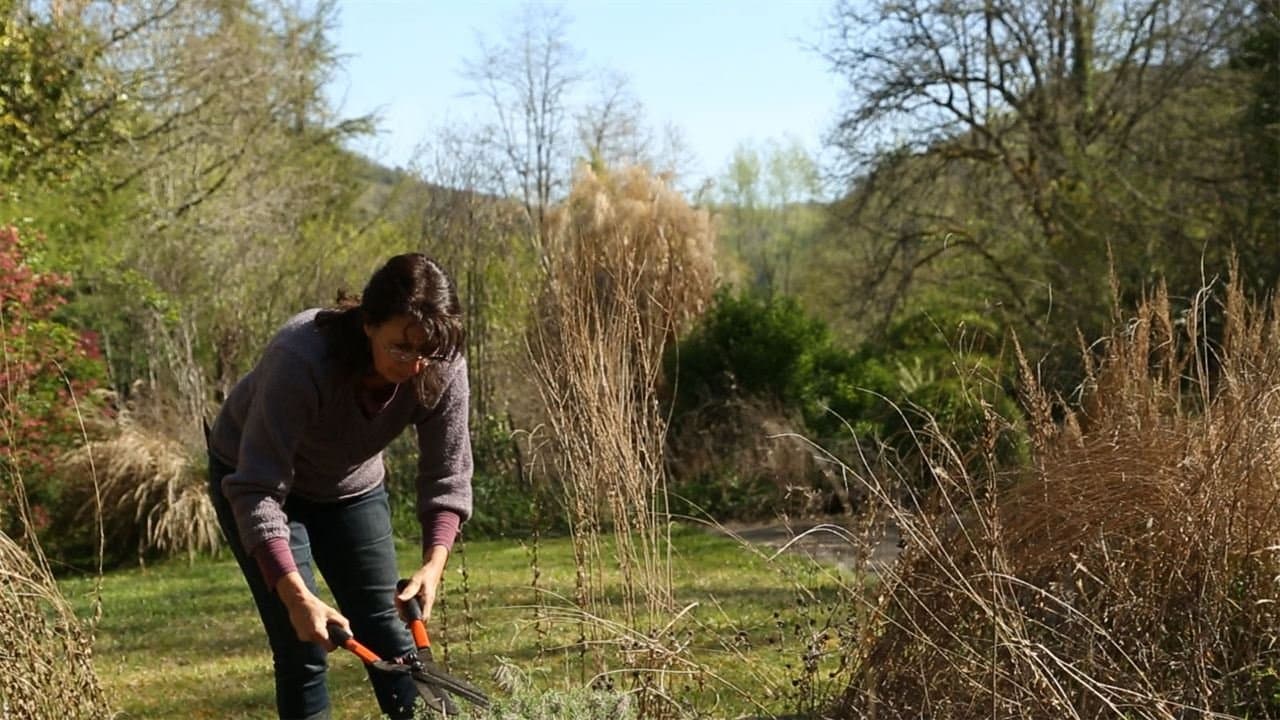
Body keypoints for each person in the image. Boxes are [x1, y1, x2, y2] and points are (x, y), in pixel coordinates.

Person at [206, 253, 473, 720]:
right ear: (368, 324)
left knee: (391, 638)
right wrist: (297, 598)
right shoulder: (301, 356)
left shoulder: (441, 360)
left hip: (349, 487)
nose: (416, 365)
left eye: (426, 352)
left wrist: (434, 565)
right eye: (400, 349)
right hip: (258, 483)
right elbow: (257, 488)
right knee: (303, 645)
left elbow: (446, 474)